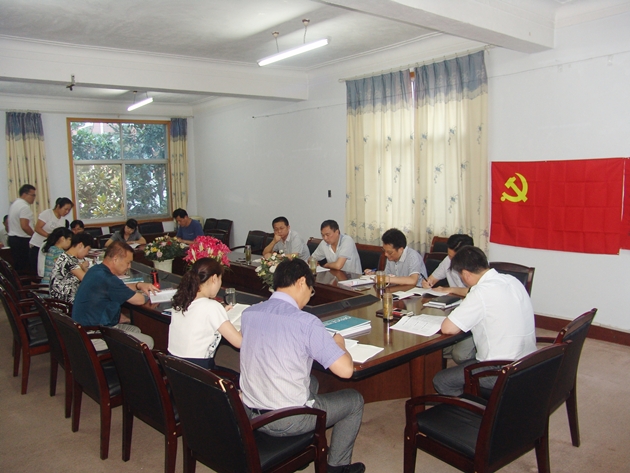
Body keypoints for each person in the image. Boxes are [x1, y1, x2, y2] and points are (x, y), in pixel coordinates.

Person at [240, 259, 365, 473]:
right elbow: (345, 371)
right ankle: (337, 467)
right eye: (311, 290)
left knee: (313, 381)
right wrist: (339, 344)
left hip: (251, 412)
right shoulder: (306, 322)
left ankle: (301, 451)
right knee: (354, 400)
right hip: (285, 420)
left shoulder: (249, 313)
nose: (309, 296)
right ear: (300, 282)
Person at [432, 246, 537, 397]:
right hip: (528, 362)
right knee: (465, 355)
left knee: (442, 380)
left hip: (500, 370)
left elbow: (448, 328)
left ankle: (471, 407)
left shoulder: (480, 292)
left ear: (466, 274)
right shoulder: (512, 280)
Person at [72, 241, 157, 350]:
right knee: (147, 341)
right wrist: (154, 294)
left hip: (83, 329)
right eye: (128, 262)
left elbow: (120, 287)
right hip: (95, 335)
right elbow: (139, 300)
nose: (129, 266)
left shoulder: (96, 270)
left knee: (135, 330)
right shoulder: (108, 279)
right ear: (115, 259)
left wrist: (138, 285)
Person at [168, 258, 242, 369]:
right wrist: (248, 319)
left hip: (173, 367)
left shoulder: (182, 300)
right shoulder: (212, 307)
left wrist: (221, 312)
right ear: (214, 278)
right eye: (220, 279)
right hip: (198, 371)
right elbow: (239, 342)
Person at [422, 234, 477, 364]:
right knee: (430, 343)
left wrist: (450, 289)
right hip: (451, 307)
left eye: (453, 257)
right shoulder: (448, 260)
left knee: (459, 355)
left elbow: (475, 291)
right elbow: (432, 279)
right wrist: (427, 283)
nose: (450, 260)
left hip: (471, 312)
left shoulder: (476, 265)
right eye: (449, 255)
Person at [30, 197, 73, 276]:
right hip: (38, 245)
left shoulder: (63, 220)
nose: (67, 212)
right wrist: (50, 236)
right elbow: (37, 228)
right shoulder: (47, 213)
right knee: (36, 269)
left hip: (50, 247)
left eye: (69, 210)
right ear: (58, 206)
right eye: (65, 209)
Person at [49, 232, 93, 303]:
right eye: (88, 249)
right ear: (80, 245)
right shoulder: (70, 260)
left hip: (58, 300)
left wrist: (84, 268)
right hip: (64, 303)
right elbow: (87, 280)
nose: (87, 253)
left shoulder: (64, 256)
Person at [8, 184, 36, 272]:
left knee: (18, 266)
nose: (34, 198)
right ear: (24, 194)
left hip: (13, 238)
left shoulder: (14, 204)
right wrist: (34, 236)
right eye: (33, 195)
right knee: (25, 267)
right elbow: (24, 226)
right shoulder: (24, 207)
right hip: (22, 240)